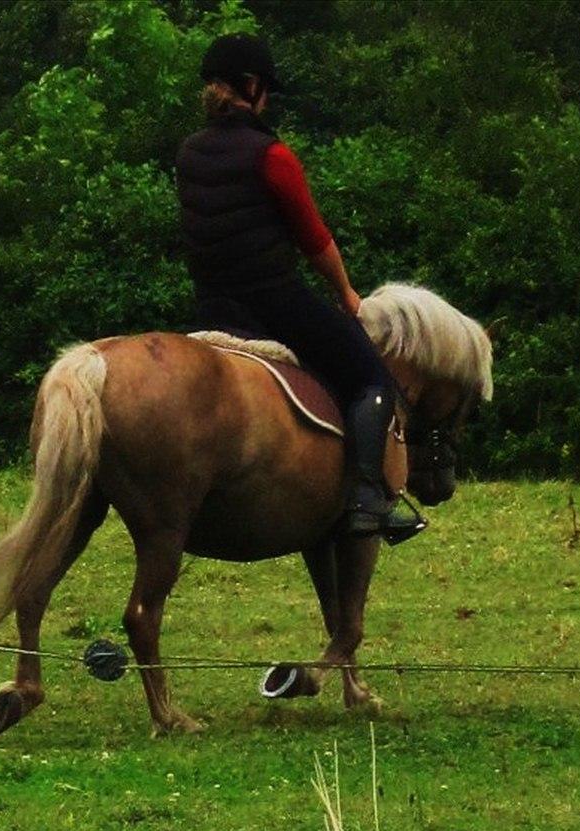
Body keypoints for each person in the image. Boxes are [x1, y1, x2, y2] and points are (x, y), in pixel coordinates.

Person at [175, 33, 420, 543]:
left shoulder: (189, 154)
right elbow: (314, 239)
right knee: (371, 376)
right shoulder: (273, 156)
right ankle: (369, 499)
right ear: (253, 86)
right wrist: (348, 294)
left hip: (212, 304)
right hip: (272, 303)